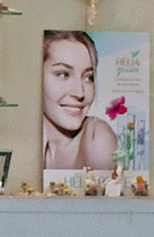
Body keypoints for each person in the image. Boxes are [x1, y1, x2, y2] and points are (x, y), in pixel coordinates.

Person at [40, 30, 118, 172]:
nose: (79, 93)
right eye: (63, 74)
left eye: (88, 77)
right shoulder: (22, 140)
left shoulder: (97, 138)